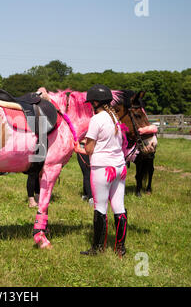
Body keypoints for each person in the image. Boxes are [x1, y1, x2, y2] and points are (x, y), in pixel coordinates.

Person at [75, 84, 127, 257]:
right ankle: (120, 248)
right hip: (120, 167)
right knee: (119, 207)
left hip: (102, 169)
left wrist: (78, 148)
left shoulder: (96, 119)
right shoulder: (115, 118)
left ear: (96, 102)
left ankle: (97, 248)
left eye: (91, 102)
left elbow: (89, 148)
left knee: (100, 208)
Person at [76, 138, 93, 204]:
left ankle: (85, 194)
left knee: (87, 173)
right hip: (82, 147)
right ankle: (90, 197)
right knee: (87, 173)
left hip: (89, 147)